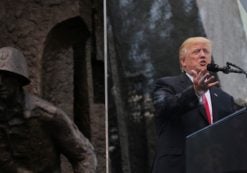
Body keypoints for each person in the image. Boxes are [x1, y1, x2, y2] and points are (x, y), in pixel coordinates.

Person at [151, 37, 241, 173]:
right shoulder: (166, 84)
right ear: (183, 62)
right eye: (196, 51)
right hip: (180, 167)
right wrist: (195, 92)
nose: (203, 55)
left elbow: (236, 130)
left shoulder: (224, 98)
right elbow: (164, 106)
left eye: (206, 51)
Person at [0, 47, 97, 173]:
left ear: (19, 80)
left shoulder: (47, 115)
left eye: (7, 77)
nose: (0, 83)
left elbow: (84, 156)